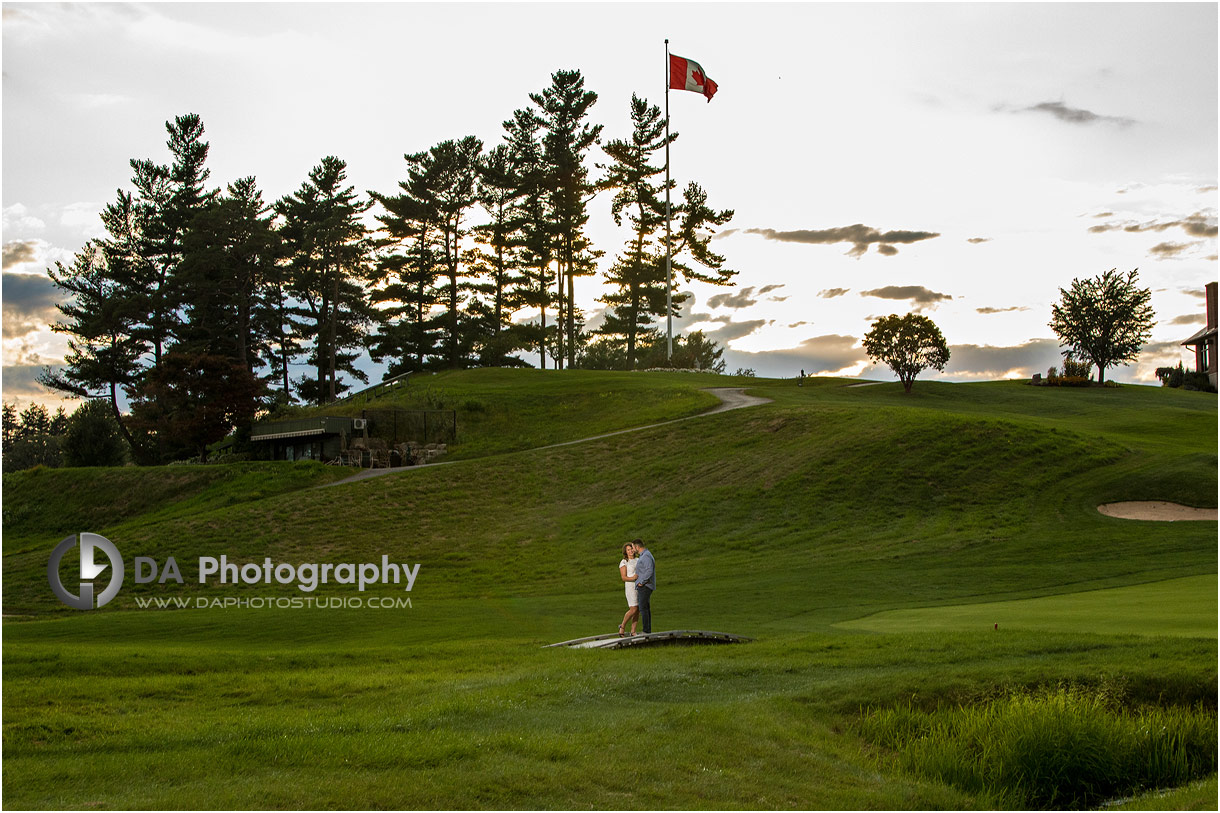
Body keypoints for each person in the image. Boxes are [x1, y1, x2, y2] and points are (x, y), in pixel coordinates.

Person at [632, 539, 655, 634]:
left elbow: (649, 571)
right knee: (645, 607)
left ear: (637, 547)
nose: (633, 550)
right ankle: (647, 630)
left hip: (645, 586)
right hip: (644, 586)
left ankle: (646, 631)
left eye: (633, 547)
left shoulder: (646, 556)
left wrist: (641, 582)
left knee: (643, 608)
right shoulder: (645, 555)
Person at [618, 543, 639, 636]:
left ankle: (633, 631)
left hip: (639, 586)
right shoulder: (624, 562)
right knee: (633, 609)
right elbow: (624, 577)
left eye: (631, 549)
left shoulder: (638, 560)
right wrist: (633, 578)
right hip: (630, 587)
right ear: (625, 552)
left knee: (638, 609)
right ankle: (622, 626)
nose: (630, 551)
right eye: (628, 550)